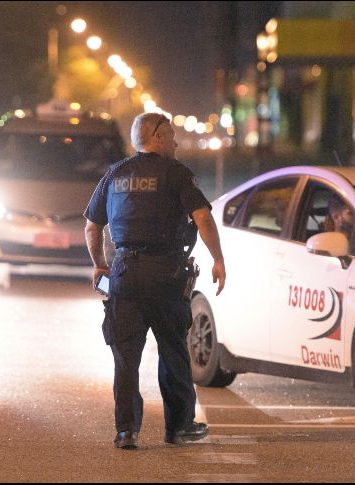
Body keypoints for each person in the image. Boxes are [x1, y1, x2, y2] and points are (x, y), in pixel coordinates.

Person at [84, 112, 226, 450]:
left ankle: (127, 432)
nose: (176, 142)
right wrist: (218, 258)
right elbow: (203, 217)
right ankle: (178, 427)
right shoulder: (175, 173)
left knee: (126, 358)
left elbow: (92, 227)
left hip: (125, 275)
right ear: (158, 137)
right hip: (165, 274)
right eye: (172, 135)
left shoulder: (116, 174)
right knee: (174, 351)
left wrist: (100, 265)